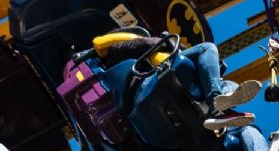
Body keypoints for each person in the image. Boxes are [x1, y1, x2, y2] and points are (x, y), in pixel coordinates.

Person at [95, 32, 261, 130]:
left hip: (165, 70)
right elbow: (101, 42)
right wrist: (164, 42)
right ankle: (216, 102)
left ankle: (219, 107)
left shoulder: (131, 53)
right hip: (158, 73)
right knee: (207, 47)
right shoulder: (119, 49)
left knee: (226, 83)